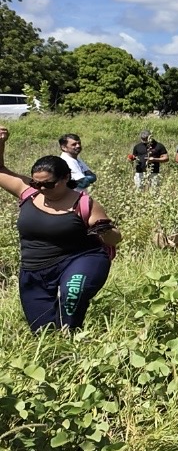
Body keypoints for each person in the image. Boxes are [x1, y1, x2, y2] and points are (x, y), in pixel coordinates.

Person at [0, 126, 122, 332]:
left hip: (80, 258)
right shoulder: (29, 193)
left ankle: (74, 340)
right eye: (36, 183)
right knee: (43, 331)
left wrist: (104, 230)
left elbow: (115, 239)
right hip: (35, 268)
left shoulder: (84, 204)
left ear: (65, 178)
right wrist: (1, 143)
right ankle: (58, 357)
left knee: (71, 296)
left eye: (48, 184)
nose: (41, 189)